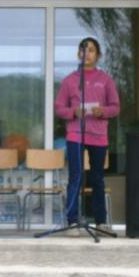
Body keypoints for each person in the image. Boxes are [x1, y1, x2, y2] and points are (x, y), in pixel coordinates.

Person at [55, 37, 120, 230]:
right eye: (84, 50)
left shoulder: (106, 80)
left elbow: (116, 107)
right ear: (78, 54)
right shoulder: (69, 81)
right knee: (75, 176)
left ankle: (100, 221)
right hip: (76, 134)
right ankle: (73, 221)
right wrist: (73, 112)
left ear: (98, 55)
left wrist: (103, 111)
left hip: (98, 135)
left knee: (97, 178)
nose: (87, 53)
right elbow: (59, 108)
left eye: (91, 50)